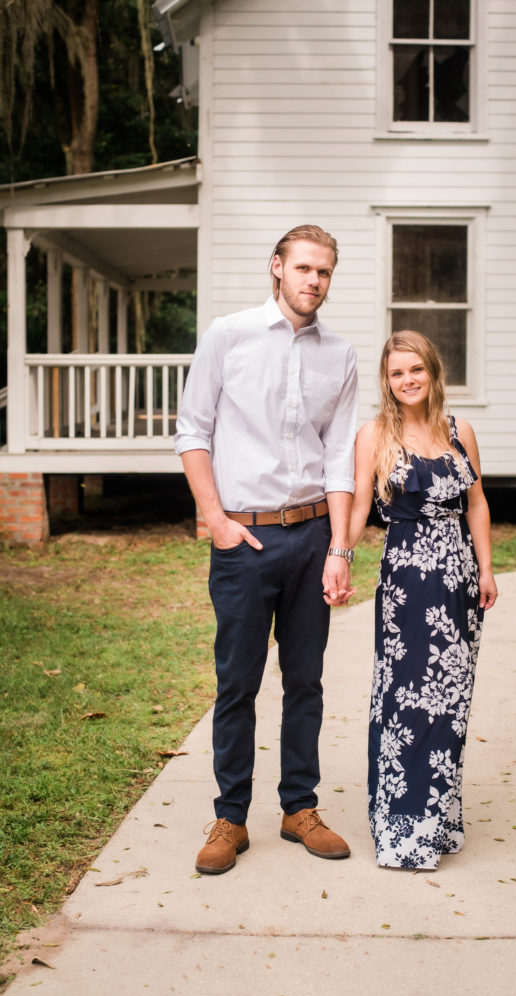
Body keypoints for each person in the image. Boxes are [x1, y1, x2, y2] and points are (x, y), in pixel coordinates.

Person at [175, 225, 358, 874]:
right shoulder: (228, 335)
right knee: (238, 683)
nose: (315, 281)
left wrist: (339, 548)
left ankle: (298, 808)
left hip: (312, 537)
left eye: (326, 272)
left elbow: (340, 456)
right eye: (304, 268)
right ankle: (230, 818)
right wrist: (217, 520)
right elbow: (193, 433)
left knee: (305, 681)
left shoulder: (340, 355)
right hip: (244, 539)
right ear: (277, 267)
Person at [349, 330, 497, 870]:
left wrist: (485, 568)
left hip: (458, 582)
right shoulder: (375, 435)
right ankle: (401, 825)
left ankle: (439, 818)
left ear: (433, 373)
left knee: (449, 703)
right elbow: (359, 505)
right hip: (407, 584)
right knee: (406, 699)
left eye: (416, 370)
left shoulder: (461, 432)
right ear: (387, 382)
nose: (407, 380)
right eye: (396, 373)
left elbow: (476, 504)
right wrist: (338, 556)